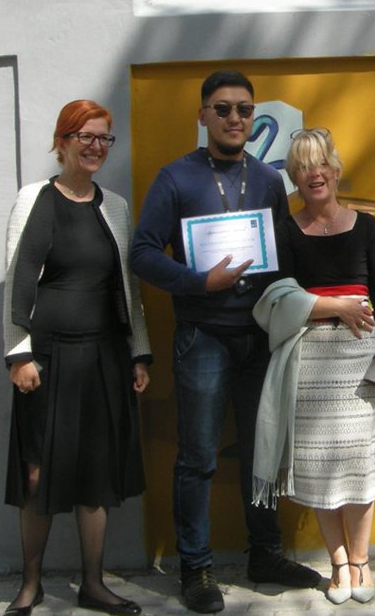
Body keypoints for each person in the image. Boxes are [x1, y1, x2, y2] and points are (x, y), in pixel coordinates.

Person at [129, 71, 320, 613]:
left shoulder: (267, 180)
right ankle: (196, 569)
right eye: (222, 109)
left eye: (243, 109)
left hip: (259, 336)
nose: (234, 118)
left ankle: (265, 555)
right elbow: (142, 253)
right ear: (203, 115)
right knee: (198, 458)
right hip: (203, 337)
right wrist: (198, 282)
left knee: (263, 452)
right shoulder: (175, 178)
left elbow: (282, 256)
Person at [2, 100, 151, 616]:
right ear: (62, 142)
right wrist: (18, 354)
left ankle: (93, 584)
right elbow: (18, 278)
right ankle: (31, 584)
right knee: (37, 474)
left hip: (104, 359)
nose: (95, 146)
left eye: (104, 138)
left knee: (96, 476)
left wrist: (138, 352)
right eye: (85, 136)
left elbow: (127, 288)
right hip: (46, 360)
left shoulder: (116, 207)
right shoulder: (34, 199)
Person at [251, 128, 375, 605]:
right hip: (308, 362)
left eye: (320, 163)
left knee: (359, 466)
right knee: (318, 468)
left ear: (335, 170)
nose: (313, 173)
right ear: (294, 178)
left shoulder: (366, 227)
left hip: (360, 358)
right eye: (302, 167)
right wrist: (335, 306)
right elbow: (278, 298)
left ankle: (361, 560)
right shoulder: (285, 231)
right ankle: (338, 563)